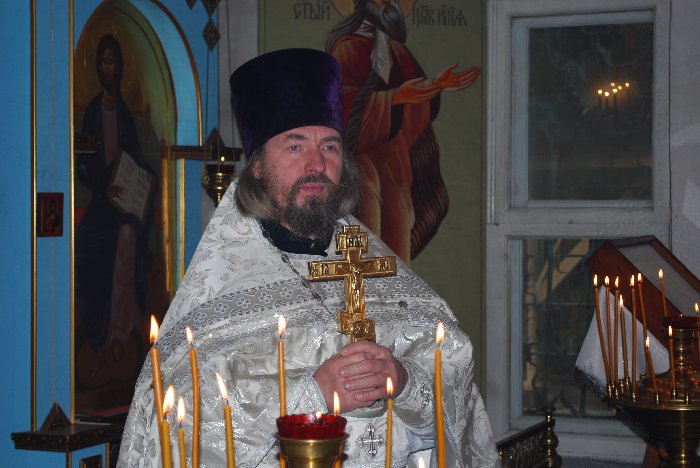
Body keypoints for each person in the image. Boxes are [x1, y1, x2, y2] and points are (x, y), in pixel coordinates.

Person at [118, 48, 496, 467]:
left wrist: (403, 382)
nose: (317, 163)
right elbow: (178, 419)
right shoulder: (222, 282)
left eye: (330, 146)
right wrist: (312, 396)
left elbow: (457, 394)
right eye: (295, 145)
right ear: (257, 165)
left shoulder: (373, 264)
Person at [326, 0, 480, 261]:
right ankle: (360, 289)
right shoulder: (348, 47)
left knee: (398, 234)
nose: (389, 3)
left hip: (394, 163)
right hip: (361, 165)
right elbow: (341, 106)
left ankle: (395, 289)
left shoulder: (396, 50)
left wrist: (436, 85)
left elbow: (413, 95)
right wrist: (394, 98)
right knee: (365, 244)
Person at [75, 34, 154, 376]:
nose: (109, 68)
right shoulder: (94, 112)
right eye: (104, 61)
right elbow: (83, 162)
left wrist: (146, 178)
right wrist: (102, 187)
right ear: (98, 67)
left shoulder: (124, 113)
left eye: (114, 62)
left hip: (124, 205)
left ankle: (121, 330)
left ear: (121, 68)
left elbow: (135, 156)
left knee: (128, 234)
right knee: (85, 249)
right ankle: (102, 335)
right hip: (100, 201)